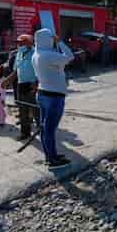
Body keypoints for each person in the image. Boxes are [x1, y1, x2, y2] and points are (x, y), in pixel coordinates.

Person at [32, 28, 74, 168]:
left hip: (43, 93)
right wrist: (60, 42)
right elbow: (69, 56)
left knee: (45, 129)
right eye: (51, 38)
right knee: (49, 130)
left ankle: (50, 155)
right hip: (54, 96)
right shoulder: (48, 55)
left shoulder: (36, 54)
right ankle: (52, 160)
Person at [3, 34, 38, 141]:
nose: (19, 45)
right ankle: (25, 132)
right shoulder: (18, 54)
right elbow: (16, 71)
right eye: (18, 43)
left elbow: (41, 71)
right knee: (22, 110)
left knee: (36, 109)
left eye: (22, 42)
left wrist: (36, 83)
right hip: (21, 84)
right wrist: (7, 80)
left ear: (29, 42)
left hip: (33, 85)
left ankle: (43, 130)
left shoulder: (35, 54)